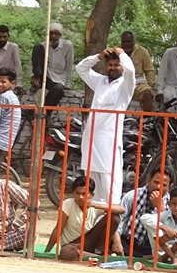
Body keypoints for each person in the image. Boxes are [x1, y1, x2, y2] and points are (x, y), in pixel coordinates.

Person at [76, 47, 135, 206]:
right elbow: (80, 68)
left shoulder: (125, 85)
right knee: (91, 185)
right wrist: (99, 56)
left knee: (110, 185)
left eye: (116, 65)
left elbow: (130, 71)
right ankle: (94, 218)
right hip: (91, 140)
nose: (113, 68)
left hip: (109, 143)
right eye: (110, 65)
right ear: (106, 66)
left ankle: (112, 217)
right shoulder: (100, 81)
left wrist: (122, 53)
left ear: (121, 66)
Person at [46, 174, 123, 261]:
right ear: (73, 193)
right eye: (77, 193)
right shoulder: (68, 204)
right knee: (65, 251)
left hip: (88, 242)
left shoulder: (94, 205)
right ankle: (100, 257)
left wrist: (95, 205)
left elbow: (121, 209)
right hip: (72, 245)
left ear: (92, 195)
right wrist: (47, 251)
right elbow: (58, 228)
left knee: (114, 217)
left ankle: (99, 251)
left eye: (84, 194)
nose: (80, 197)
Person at [112, 168, 171, 258]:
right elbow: (118, 220)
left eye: (164, 185)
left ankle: (144, 256)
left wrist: (160, 206)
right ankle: (143, 257)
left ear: (169, 187)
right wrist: (117, 242)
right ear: (149, 180)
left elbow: (170, 229)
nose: (158, 187)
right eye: (156, 182)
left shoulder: (171, 202)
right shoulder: (133, 195)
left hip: (151, 244)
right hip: (129, 241)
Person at [31, 21, 75, 107]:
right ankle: (37, 81)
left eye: (56, 34)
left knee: (58, 89)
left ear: (60, 35)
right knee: (37, 48)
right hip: (44, 76)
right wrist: (33, 76)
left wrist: (67, 84)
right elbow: (34, 62)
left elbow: (69, 65)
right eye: (51, 33)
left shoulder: (68, 46)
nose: (53, 36)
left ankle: (45, 110)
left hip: (58, 79)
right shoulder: (43, 46)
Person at [141, 186, 177, 264]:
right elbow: (144, 218)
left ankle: (167, 257)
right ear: (169, 204)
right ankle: (171, 257)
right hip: (160, 253)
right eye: (174, 204)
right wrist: (164, 228)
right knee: (153, 225)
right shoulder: (164, 215)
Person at [117, 31, 157, 113]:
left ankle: (147, 119)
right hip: (120, 82)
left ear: (133, 41)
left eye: (129, 42)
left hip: (138, 82)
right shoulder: (116, 52)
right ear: (121, 42)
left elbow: (149, 70)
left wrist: (150, 85)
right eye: (124, 42)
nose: (127, 44)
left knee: (147, 93)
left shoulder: (142, 51)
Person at [155, 33, 177, 114]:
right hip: (169, 85)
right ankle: (169, 121)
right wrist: (159, 90)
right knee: (167, 96)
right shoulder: (169, 52)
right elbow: (162, 71)